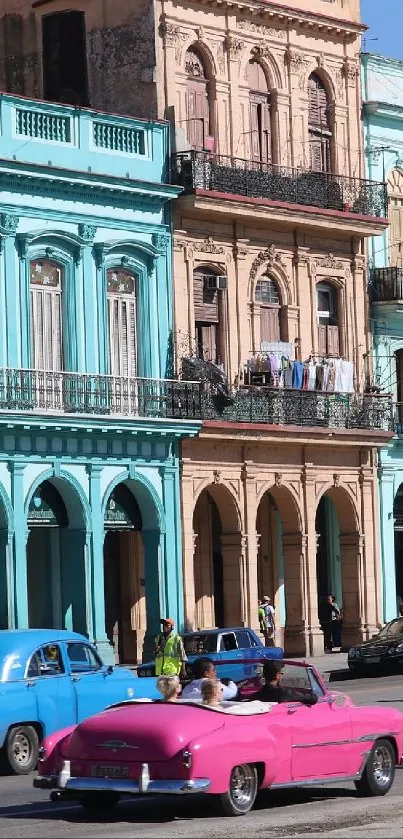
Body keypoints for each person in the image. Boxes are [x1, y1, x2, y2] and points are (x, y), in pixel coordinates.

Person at [247, 661, 317, 706]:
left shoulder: (256, 695)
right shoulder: (285, 692)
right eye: (282, 673)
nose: (282, 676)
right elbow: (312, 699)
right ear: (277, 675)